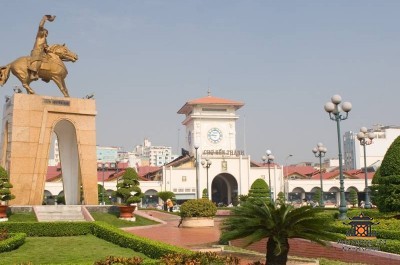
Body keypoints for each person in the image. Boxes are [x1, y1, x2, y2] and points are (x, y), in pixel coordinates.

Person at [28, 15, 56, 80]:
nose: (47, 34)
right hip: (37, 51)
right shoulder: (40, 35)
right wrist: (45, 18)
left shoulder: (45, 40)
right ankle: (32, 73)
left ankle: (46, 76)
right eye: (46, 32)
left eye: (47, 33)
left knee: (50, 60)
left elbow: (46, 48)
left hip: (43, 53)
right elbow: (40, 26)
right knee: (38, 59)